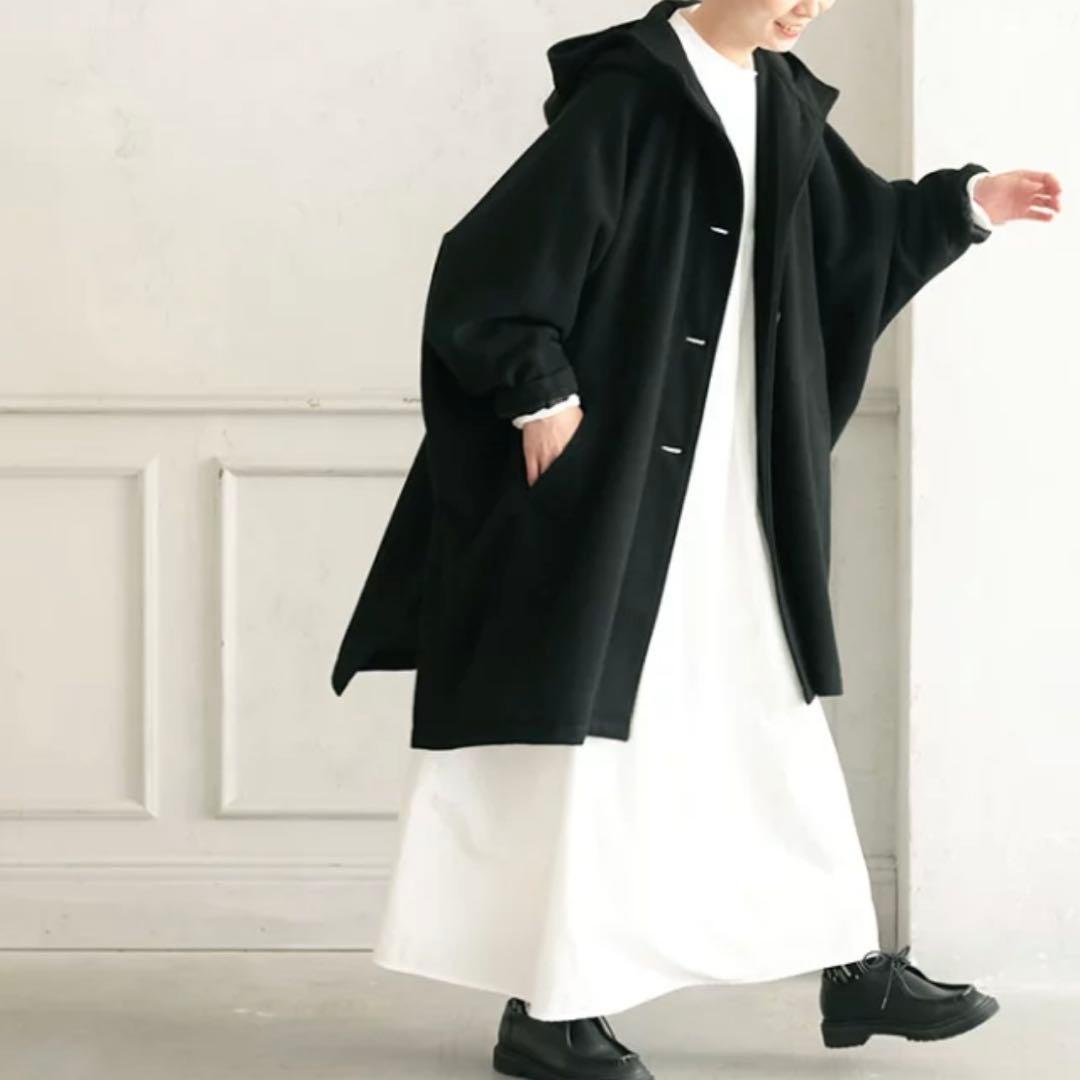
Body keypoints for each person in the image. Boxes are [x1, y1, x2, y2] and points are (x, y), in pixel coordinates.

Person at [331, 2, 1061, 1077]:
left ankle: (846, 962)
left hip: (736, 480)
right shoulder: (632, 96)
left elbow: (854, 240)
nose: (809, 6)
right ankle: (551, 1011)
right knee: (590, 741)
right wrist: (539, 392)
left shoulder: (781, 101)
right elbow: (490, 264)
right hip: (622, 484)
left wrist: (963, 206)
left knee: (764, 707)